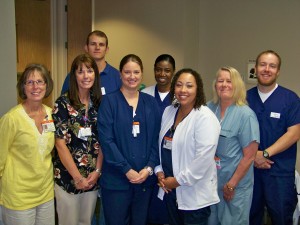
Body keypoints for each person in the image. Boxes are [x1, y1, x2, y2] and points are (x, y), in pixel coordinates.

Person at [97, 54, 161, 225]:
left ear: (142, 74)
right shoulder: (109, 102)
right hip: (116, 182)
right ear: (120, 74)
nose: (132, 76)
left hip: (144, 181)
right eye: (127, 72)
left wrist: (148, 168)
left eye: (136, 72)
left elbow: (156, 140)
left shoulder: (151, 103)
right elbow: (106, 141)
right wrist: (126, 169)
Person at [155, 68, 221, 225]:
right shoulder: (169, 111)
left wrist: (177, 181)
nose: (183, 90)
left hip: (194, 195)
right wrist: (160, 172)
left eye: (189, 86)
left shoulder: (205, 117)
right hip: (170, 190)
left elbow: (203, 160)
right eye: (179, 85)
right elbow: (159, 146)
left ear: (198, 89)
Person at [247, 50, 300, 225]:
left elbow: (294, 133)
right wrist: (252, 156)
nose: (267, 69)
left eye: (272, 66)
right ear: (255, 68)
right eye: (262, 64)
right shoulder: (244, 98)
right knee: (249, 217)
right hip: (249, 172)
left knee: (281, 218)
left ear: (278, 71)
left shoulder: (290, 99)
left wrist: (265, 154)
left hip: (279, 174)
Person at [0, 64, 55, 225]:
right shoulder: (11, 119)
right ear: (23, 87)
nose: (35, 87)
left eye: (40, 81)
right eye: (30, 82)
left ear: (47, 85)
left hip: (45, 193)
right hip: (18, 196)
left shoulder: (52, 114)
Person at [52, 54, 102, 225]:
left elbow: (103, 141)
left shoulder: (99, 103)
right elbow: (59, 144)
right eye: (80, 72)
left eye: (90, 71)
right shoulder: (63, 103)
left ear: (95, 74)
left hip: (92, 179)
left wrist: (97, 172)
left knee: (86, 222)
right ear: (73, 75)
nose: (86, 76)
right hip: (68, 178)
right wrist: (78, 178)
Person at [206, 66, 260, 225]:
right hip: (211, 182)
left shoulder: (246, 115)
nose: (224, 85)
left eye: (229, 81)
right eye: (220, 81)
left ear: (237, 85)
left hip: (234, 186)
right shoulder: (208, 108)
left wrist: (231, 185)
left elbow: (249, 157)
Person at [142, 54, 175, 225]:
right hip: (148, 159)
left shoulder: (179, 98)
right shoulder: (144, 94)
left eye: (167, 70)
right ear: (154, 70)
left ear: (173, 72)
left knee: (168, 210)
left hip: (170, 160)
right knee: (148, 209)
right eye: (159, 69)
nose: (162, 73)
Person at [61, 30, 121, 95]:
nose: (97, 48)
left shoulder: (117, 76)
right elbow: (64, 101)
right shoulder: (73, 76)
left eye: (101, 45)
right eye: (93, 44)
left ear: (106, 49)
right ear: (86, 48)